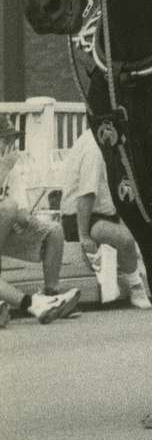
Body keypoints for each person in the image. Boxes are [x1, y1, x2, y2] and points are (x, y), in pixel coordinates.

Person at [58, 127, 151, 309]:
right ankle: (135, 285)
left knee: (145, 230)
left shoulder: (113, 144)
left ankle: (141, 270)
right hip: (79, 217)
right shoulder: (94, 149)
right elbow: (86, 195)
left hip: (105, 213)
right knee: (124, 238)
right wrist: (84, 236)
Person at [0, 117, 73, 306]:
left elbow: (23, 215)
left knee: (54, 230)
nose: (12, 145)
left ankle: (51, 296)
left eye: (13, 140)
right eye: (6, 140)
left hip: (6, 229)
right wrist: (3, 168)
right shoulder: (7, 166)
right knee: (8, 208)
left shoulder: (13, 171)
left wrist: (18, 216)